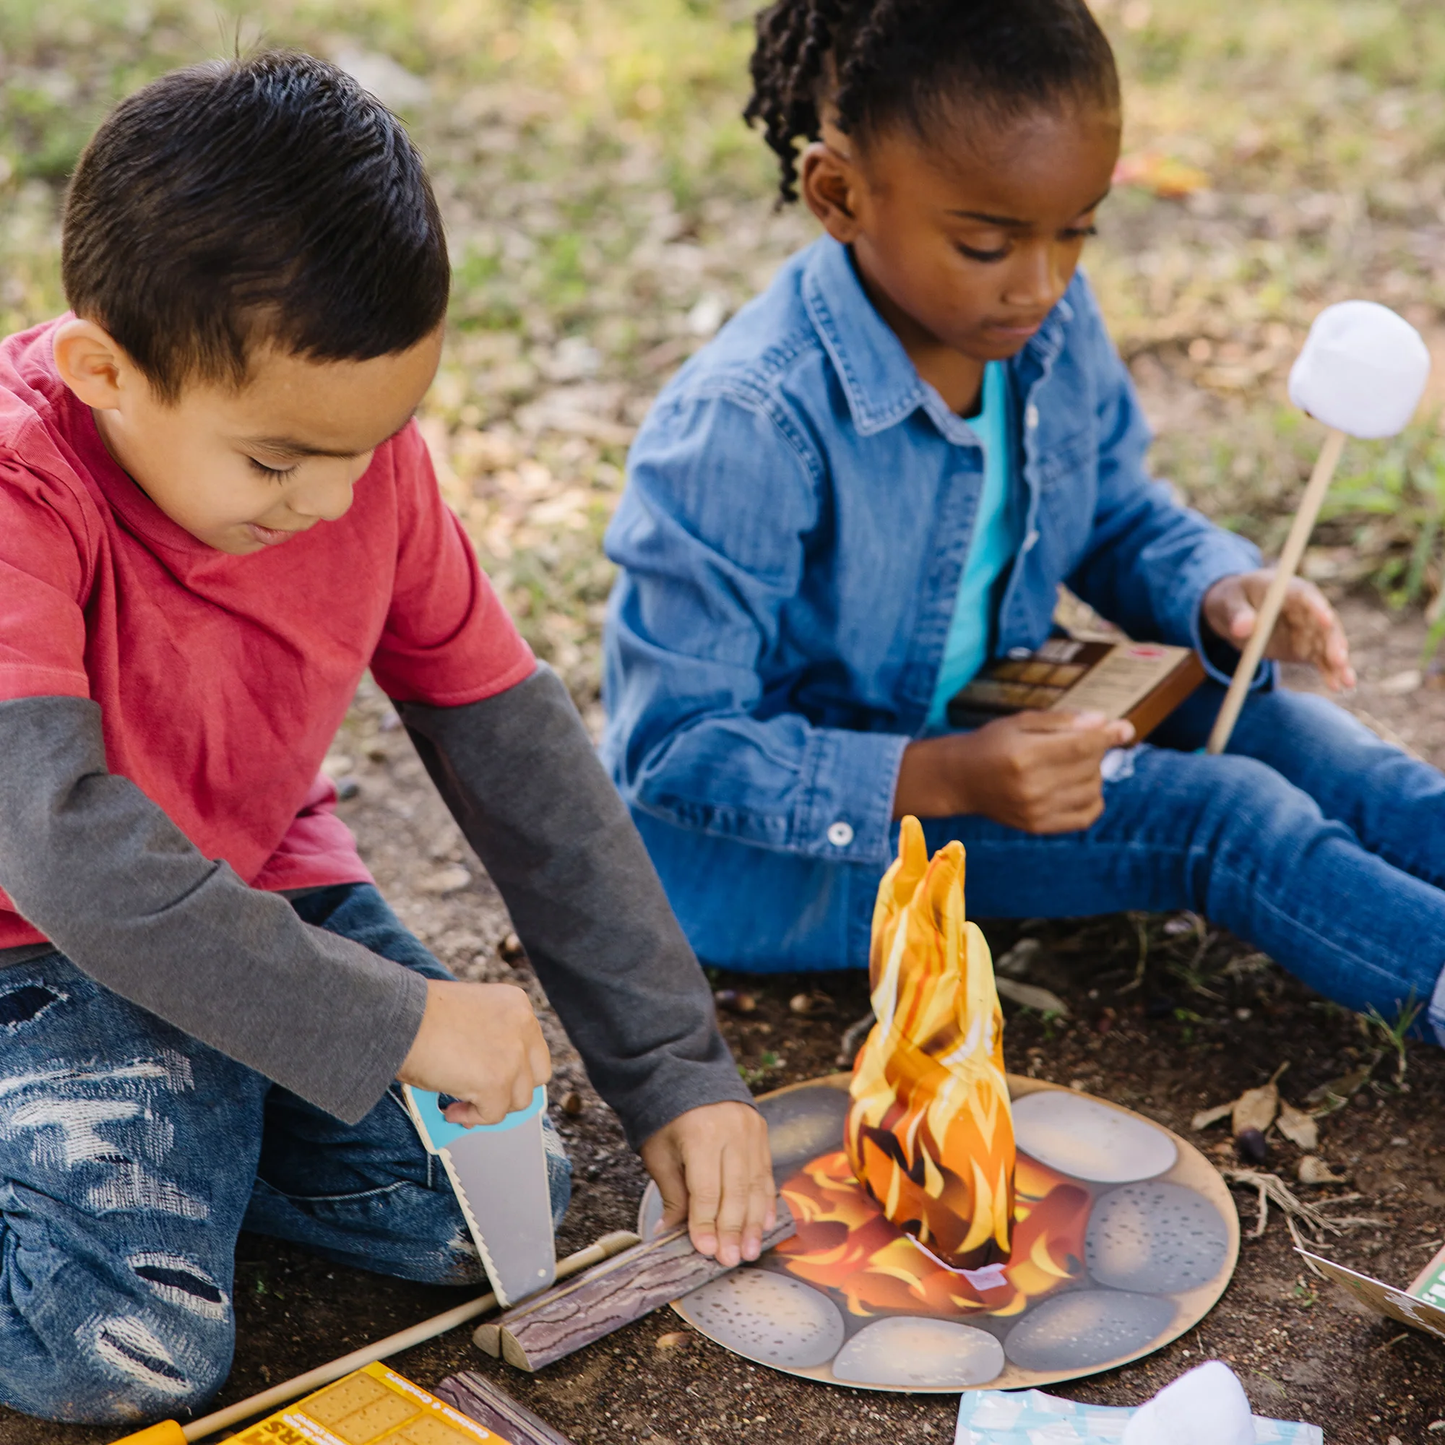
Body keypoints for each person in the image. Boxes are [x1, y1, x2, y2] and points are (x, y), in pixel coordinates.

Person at [0, 52, 772, 1427]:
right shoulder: (18, 491)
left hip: (257, 889)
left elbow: (519, 759)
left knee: (498, 1204)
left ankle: (175, 1130)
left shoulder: (358, 470)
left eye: (384, 438)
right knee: (122, 1346)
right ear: (103, 369)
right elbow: (67, 856)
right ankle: (139, 1140)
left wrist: (674, 1071)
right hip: (38, 945)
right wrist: (391, 1020)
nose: (342, 497)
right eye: (281, 461)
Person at [601, 0, 1445, 1052]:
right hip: (798, 853)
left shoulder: (1041, 323)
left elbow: (1112, 511)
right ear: (838, 193)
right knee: (1223, 817)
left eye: (1074, 231)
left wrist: (1217, 589)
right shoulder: (747, 423)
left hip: (996, 712)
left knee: (1307, 739)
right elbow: (674, 749)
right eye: (986, 242)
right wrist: (950, 775)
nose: (1041, 283)